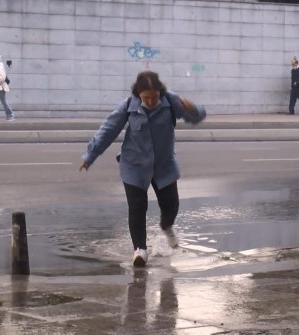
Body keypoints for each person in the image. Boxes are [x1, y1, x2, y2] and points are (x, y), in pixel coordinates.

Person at [79, 71, 206, 267]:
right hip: (134, 165)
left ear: (160, 93)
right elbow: (107, 131)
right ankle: (140, 250)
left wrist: (194, 109)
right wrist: (90, 156)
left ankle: (166, 227)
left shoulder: (170, 101)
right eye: (146, 97)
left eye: (154, 97)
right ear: (138, 94)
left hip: (164, 165)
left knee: (171, 206)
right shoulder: (127, 107)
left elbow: (196, 118)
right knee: (137, 207)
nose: (151, 101)